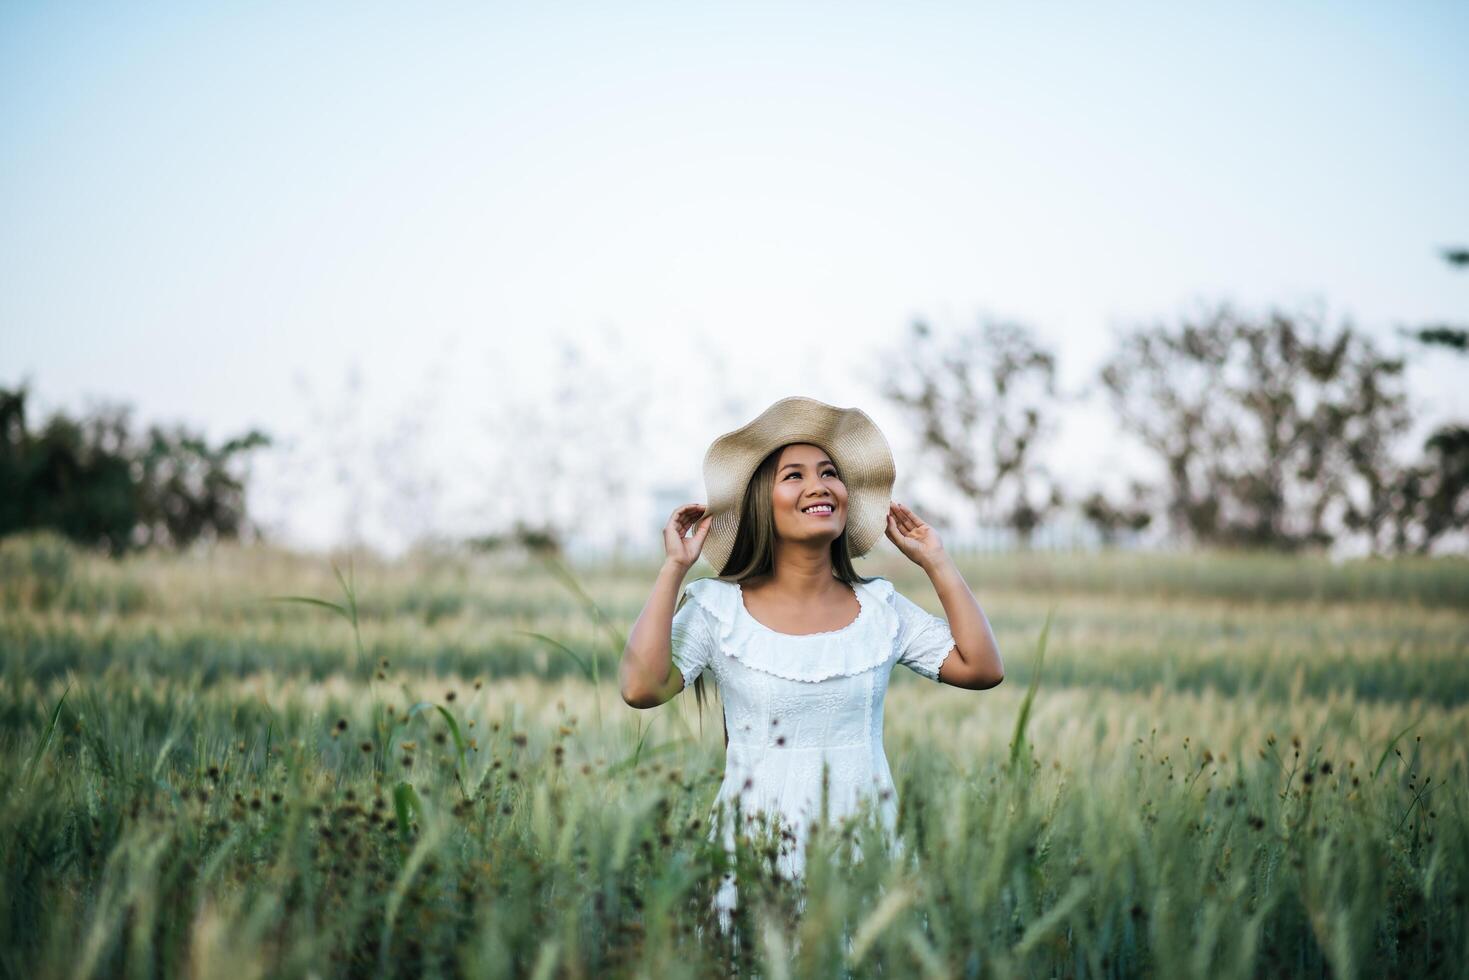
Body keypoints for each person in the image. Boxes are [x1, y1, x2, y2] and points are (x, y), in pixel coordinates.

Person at [618, 395, 1004, 936]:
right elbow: (640, 687)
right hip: (754, 850)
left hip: (866, 849)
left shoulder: (880, 608)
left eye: (829, 473)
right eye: (793, 476)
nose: (819, 486)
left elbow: (982, 667)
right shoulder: (716, 608)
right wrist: (673, 570)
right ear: (761, 503)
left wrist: (936, 560)